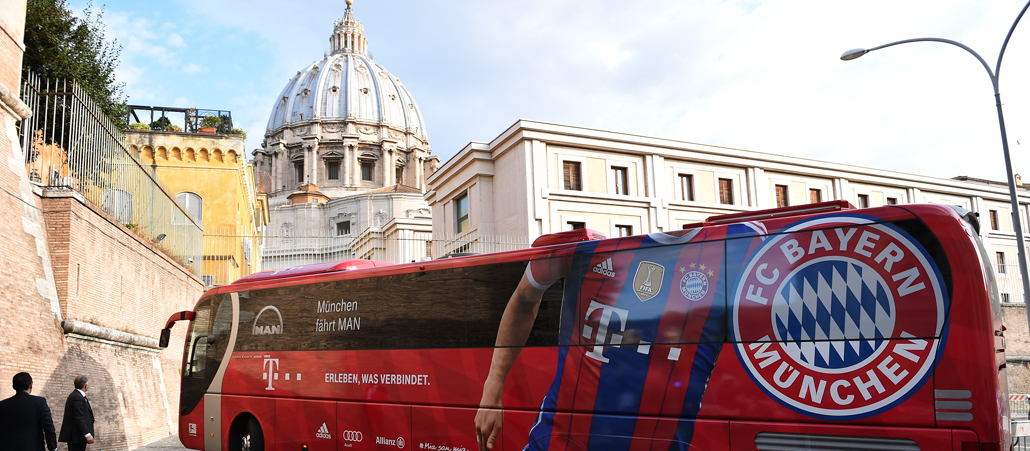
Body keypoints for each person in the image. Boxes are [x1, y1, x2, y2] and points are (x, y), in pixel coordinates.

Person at [0, 372, 58, 451]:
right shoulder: (39, 402)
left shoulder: (2, 405)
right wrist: (53, 448)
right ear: (31, 385)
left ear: (13, 387)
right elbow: (49, 428)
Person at [59, 375, 95, 451]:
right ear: (85, 385)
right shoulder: (77, 397)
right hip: (76, 436)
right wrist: (87, 434)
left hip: (78, 436)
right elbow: (78, 417)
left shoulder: (77, 396)